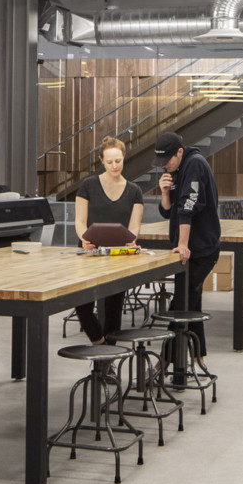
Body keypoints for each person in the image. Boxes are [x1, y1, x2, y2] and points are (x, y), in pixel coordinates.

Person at [154, 130, 221, 361]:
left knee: (179, 306)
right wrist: (164, 192)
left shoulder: (194, 165)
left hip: (200, 250)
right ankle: (198, 357)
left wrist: (182, 245)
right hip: (191, 251)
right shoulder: (177, 168)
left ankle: (166, 363)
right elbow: (168, 211)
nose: (165, 166)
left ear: (179, 152)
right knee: (191, 302)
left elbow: (187, 207)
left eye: (167, 160)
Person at [73, 135, 144, 344]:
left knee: (114, 309)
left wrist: (132, 240)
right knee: (82, 305)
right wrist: (83, 238)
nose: (115, 166)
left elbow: (134, 226)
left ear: (124, 158)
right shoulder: (88, 185)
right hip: (89, 255)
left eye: (118, 161)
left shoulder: (134, 191)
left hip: (118, 257)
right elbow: (80, 220)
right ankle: (100, 345)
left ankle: (107, 362)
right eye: (110, 162)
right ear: (102, 161)